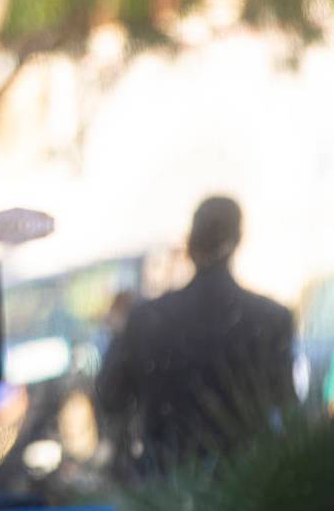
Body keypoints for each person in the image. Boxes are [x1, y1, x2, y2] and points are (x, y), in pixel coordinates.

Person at [97, 195, 294, 474]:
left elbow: (111, 396)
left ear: (191, 242)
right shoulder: (272, 319)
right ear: (237, 240)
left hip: (167, 494)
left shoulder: (147, 320)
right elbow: (288, 410)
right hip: (247, 494)